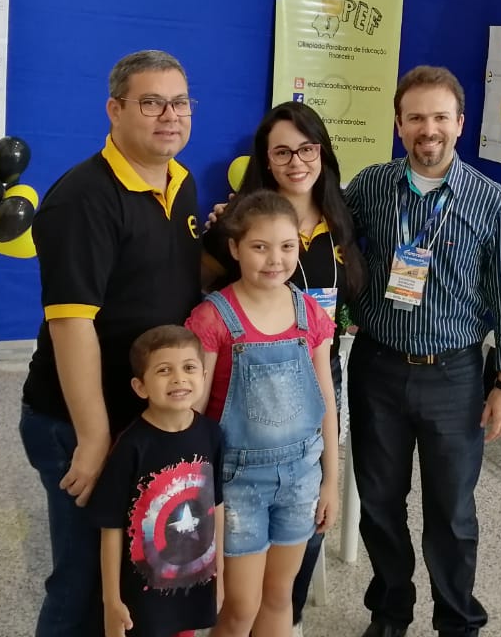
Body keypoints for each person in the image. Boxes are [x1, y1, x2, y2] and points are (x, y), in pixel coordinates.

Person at [20, 50, 204, 637]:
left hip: (139, 416)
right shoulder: (82, 200)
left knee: (128, 580)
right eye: (151, 102)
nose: (168, 116)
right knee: (80, 584)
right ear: (115, 109)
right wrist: (95, 437)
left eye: (179, 102)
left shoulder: (181, 181)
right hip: (76, 420)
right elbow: (71, 325)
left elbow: (176, 276)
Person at [345, 65, 501, 637]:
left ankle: (458, 621)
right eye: (417, 117)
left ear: (460, 123)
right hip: (376, 366)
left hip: (454, 377)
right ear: (399, 124)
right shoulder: (371, 186)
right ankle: (390, 611)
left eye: (441, 117)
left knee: (451, 513)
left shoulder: (490, 201)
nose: (430, 129)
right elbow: (327, 243)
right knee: (379, 502)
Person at [203, 101, 365, 634]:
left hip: (314, 385)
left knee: (285, 578)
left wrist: (330, 481)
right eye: (282, 151)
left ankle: (289, 619)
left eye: (307, 148)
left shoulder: (342, 217)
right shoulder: (239, 220)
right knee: (239, 603)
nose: (297, 160)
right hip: (241, 429)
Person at [186, 191, 340, 637]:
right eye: (260, 247)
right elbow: (193, 416)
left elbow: (326, 403)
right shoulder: (213, 318)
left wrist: (330, 480)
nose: (275, 259)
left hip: (301, 479)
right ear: (235, 248)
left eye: (287, 247)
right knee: (240, 607)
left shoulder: (308, 312)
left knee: (278, 599)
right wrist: (201, 496)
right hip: (235, 486)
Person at [91, 325, 224, 637]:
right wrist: (111, 600)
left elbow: (216, 507)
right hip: (145, 599)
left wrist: (222, 578)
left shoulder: (212, 434)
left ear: (203, 376)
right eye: (164, 370)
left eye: (189, 368)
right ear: (140, 387)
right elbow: (111, 528)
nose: (179, 379)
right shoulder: (131, 446)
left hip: (194, 586)